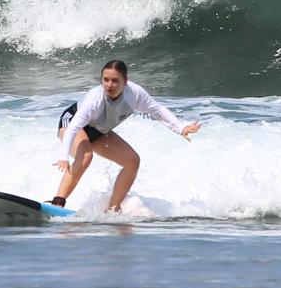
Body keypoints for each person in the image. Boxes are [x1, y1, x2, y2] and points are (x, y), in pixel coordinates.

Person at [52, 60, 201, 212]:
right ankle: (57, 203)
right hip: (72, 123)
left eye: (115, 81)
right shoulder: (94, 98)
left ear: (125, 82)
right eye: (105, 80)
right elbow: (74, 127)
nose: (109, 85)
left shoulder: (135, 94)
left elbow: (158, 111)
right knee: (86, 156)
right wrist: (64, 157)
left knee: (132, 161)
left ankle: (112, 209)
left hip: (99, 131)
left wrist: (180, 127)